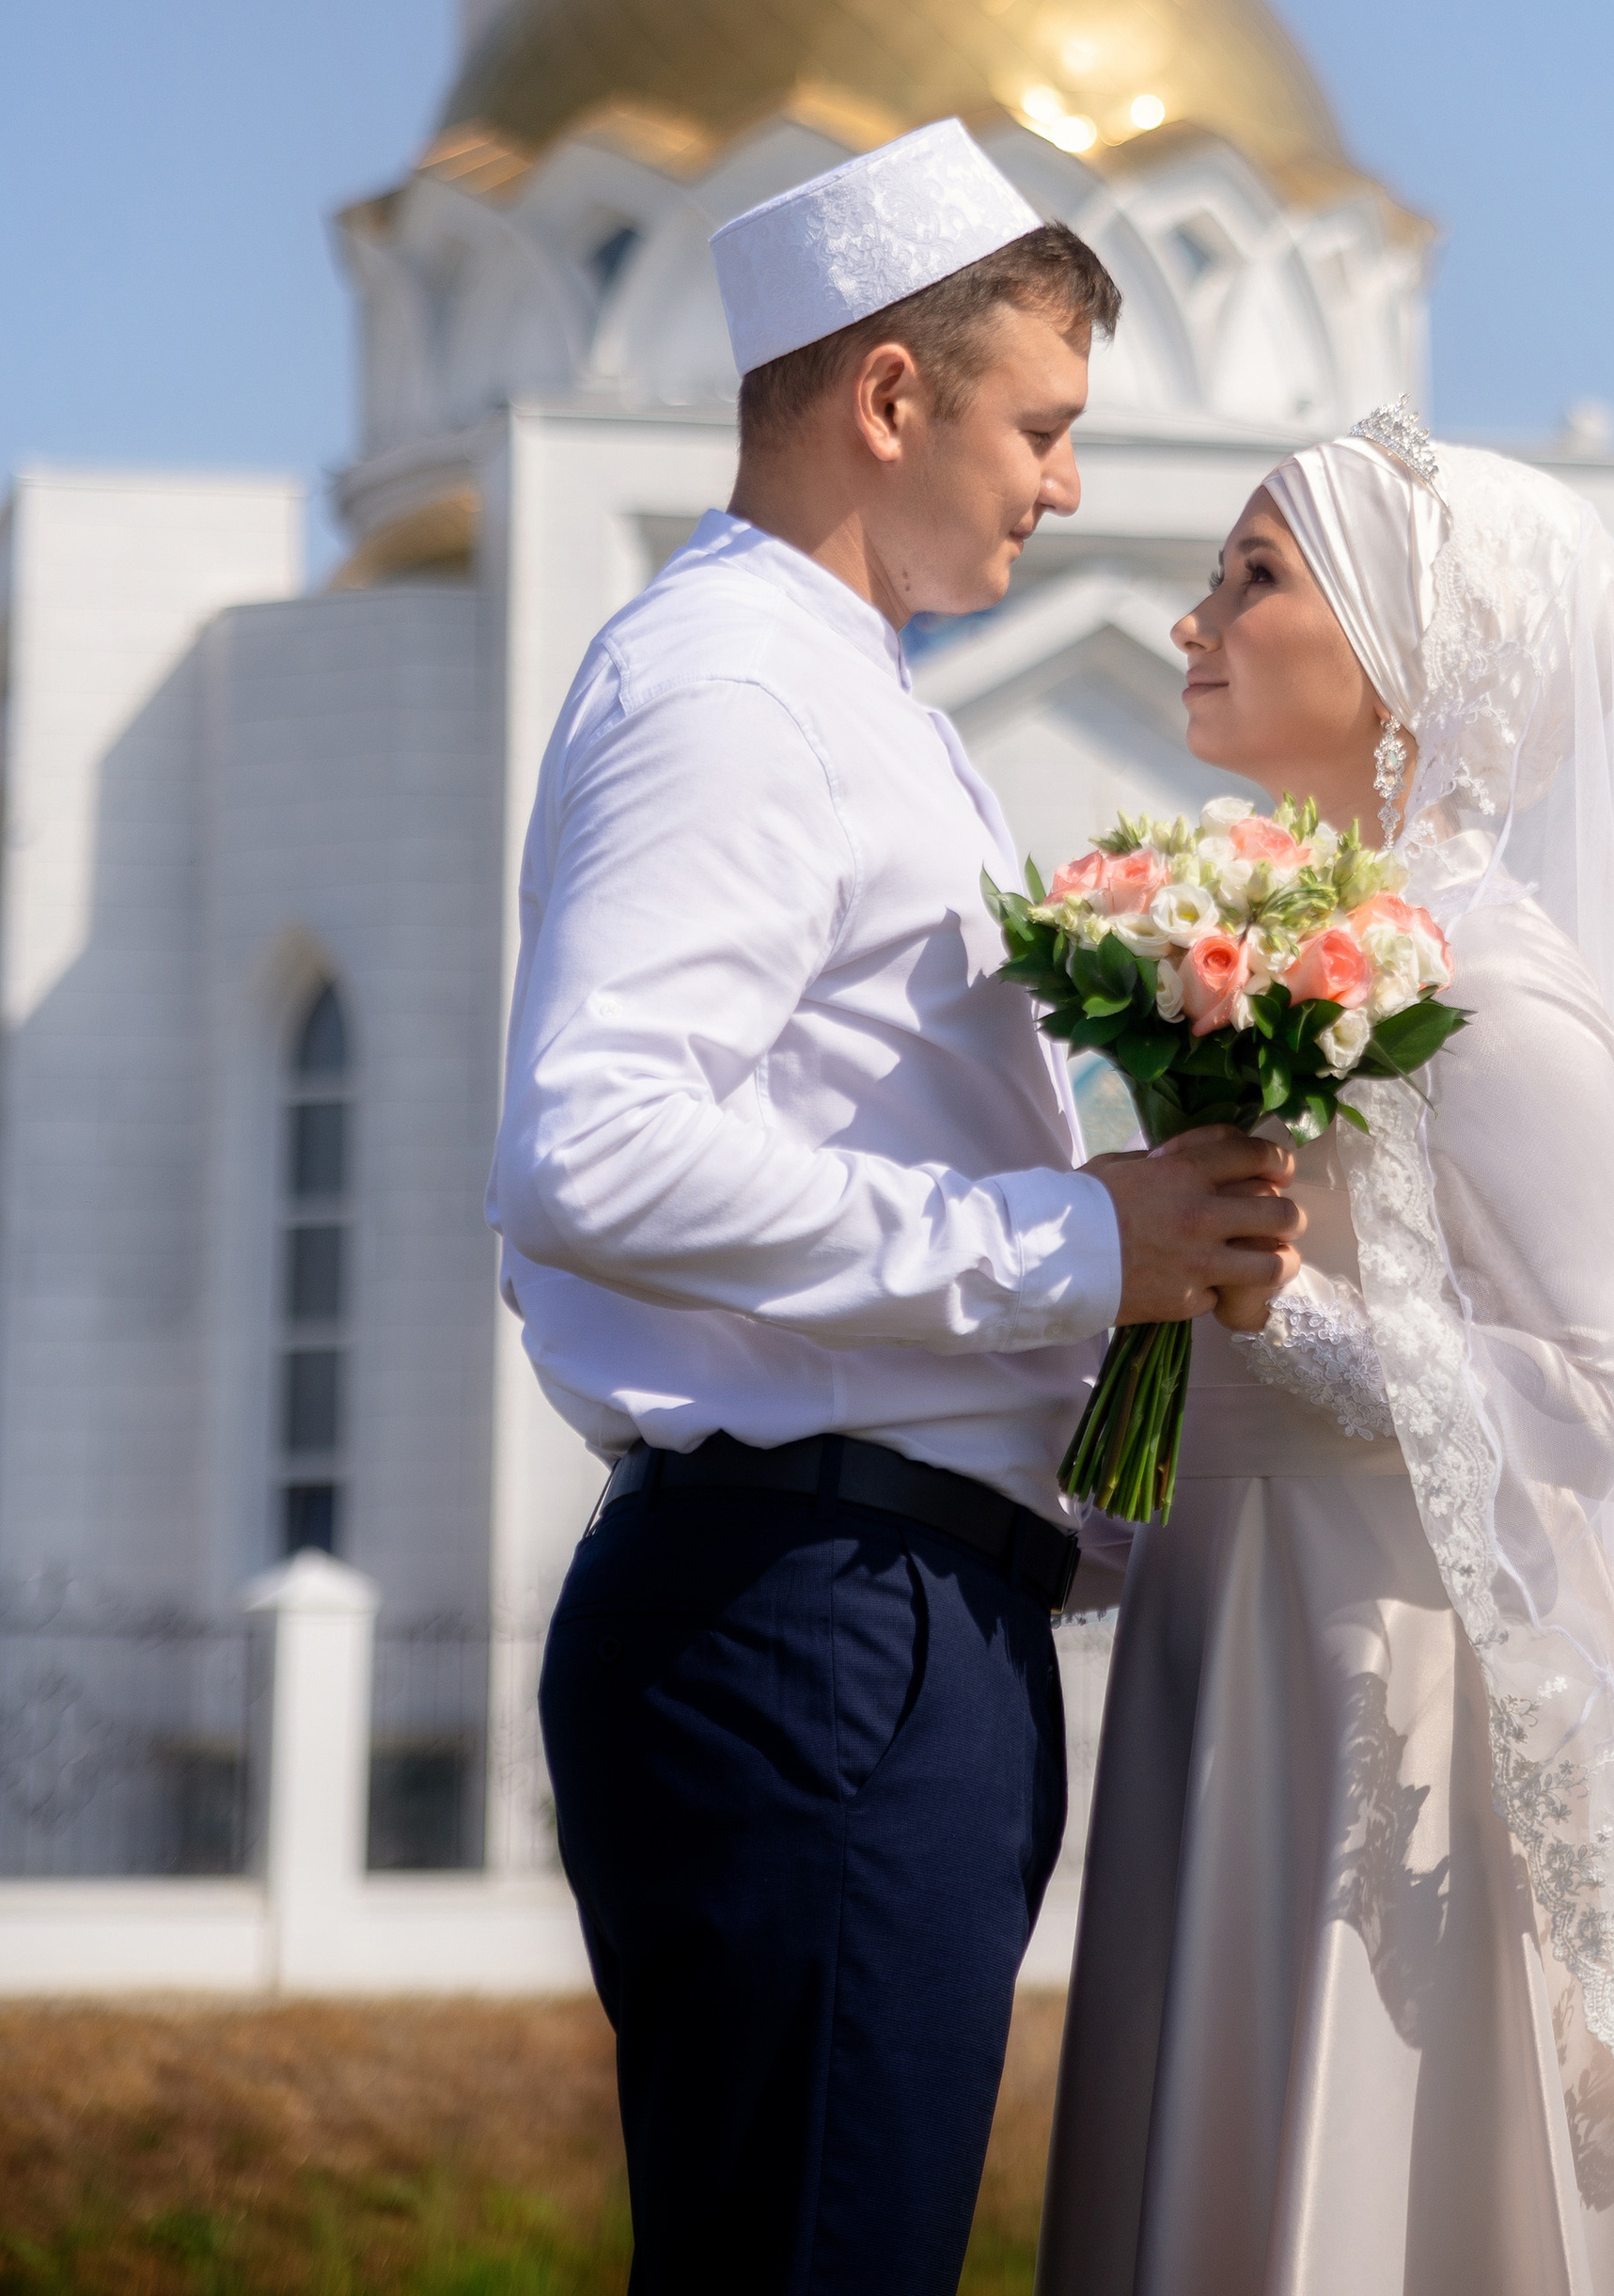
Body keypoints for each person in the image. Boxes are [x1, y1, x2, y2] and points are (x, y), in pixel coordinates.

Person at [490, 118, 1304, 2296]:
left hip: (870, 1611)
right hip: (816, 1618)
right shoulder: (736, 686)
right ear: (885, 395)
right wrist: (1078, 1245)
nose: (1064, 484)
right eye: (1039, 426)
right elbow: (589, 1144)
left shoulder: (844, 691)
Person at [1038, 401, 1614, 2296]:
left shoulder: (1490, 985)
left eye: (1254, 575)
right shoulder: (1253, 946)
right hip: (1219, 1629)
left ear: (1402, 664)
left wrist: (1287, 1313)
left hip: (1393, 1679)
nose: (1193, 620)